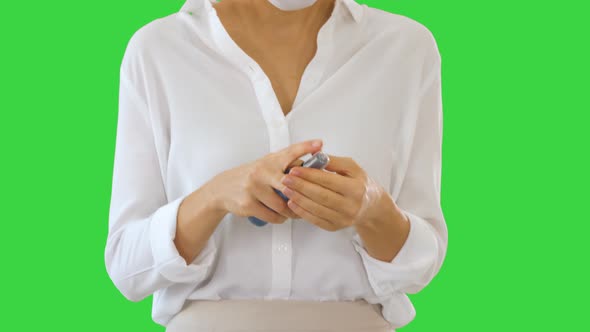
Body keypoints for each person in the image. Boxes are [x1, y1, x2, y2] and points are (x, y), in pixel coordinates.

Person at [104, 0, 448, 331]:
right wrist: (213, 198)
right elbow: (127, 267)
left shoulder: (407, 48)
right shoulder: (158, 50)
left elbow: (421, 265)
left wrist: (372, 209)